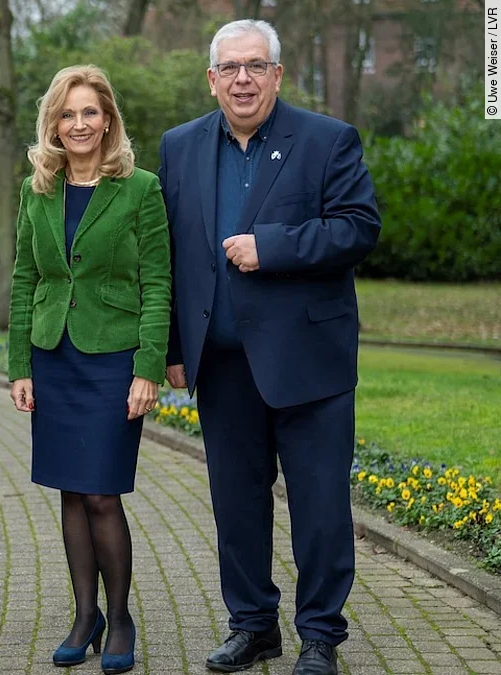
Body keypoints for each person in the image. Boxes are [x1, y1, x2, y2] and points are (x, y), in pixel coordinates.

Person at [158, 20, 381, 675]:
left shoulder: (326, 140)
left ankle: (319, 637)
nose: (243, 79)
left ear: (278, 74)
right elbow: (171, 256)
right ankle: (253, 626)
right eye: (229, 68)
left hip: (309, 365)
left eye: (256, 66)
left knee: (319, 510)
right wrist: (175, 347)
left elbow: (358, 228)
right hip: (223, 367)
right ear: (211, 78)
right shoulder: (179, 147)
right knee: (236, 508)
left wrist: (273, 247)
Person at [7, 65, 171, 675]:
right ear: (54, 122)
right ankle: (85, 614)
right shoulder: (36, 189)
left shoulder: (140, 188)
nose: (79, 124)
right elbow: (24, 279)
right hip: (54, 357)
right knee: (71, 491)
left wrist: (148, 366)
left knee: (102, 492)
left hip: (112, 359)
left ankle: (120, 615)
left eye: (90, 113)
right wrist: (19, 364)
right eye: (67, 114)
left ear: (108, 121)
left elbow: (158, 282)